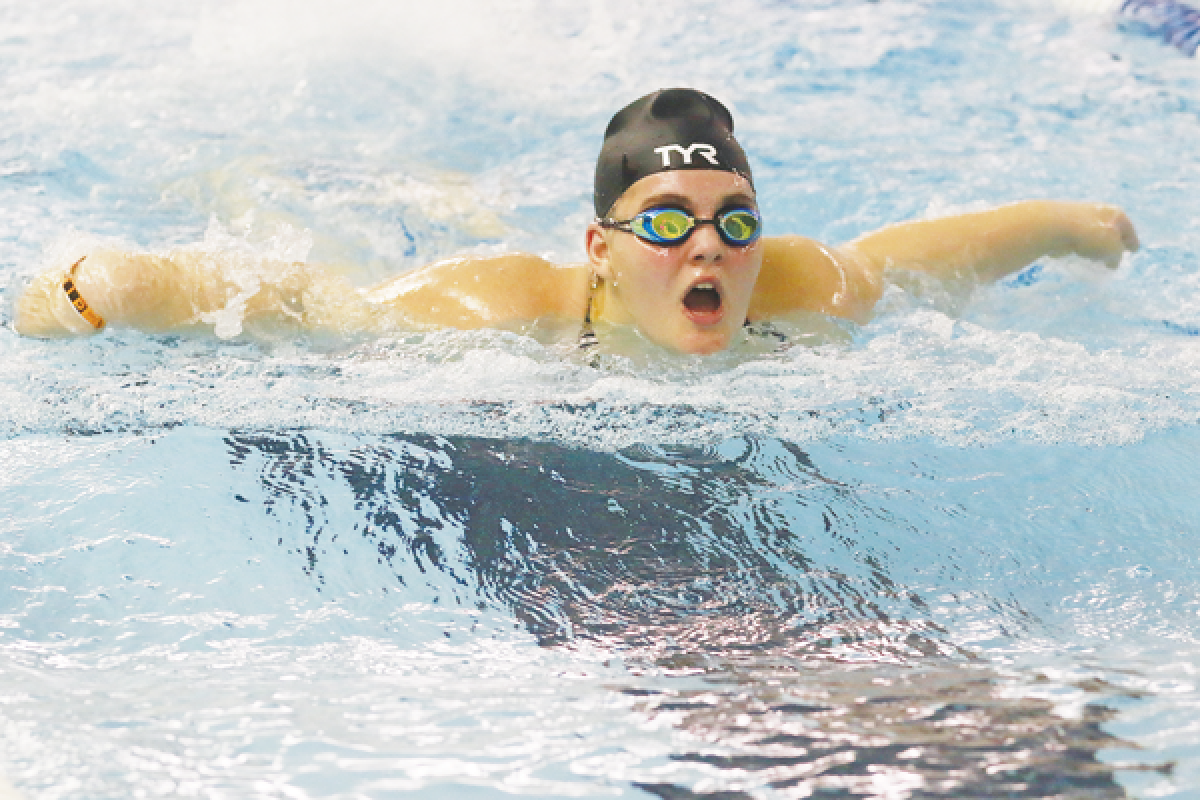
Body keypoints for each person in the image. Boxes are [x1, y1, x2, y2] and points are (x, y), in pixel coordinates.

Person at [13, 88, 1139, 355]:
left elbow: (914, 257)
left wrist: (1061, 222)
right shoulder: (496, 310)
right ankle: (247, 160)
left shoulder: (791, 284)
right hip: (421, 270)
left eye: (733, 223)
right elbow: (305, 304)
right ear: (599, 245)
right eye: (667, 222)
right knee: (354, 227)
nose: (709, 247)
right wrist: (114, 284)